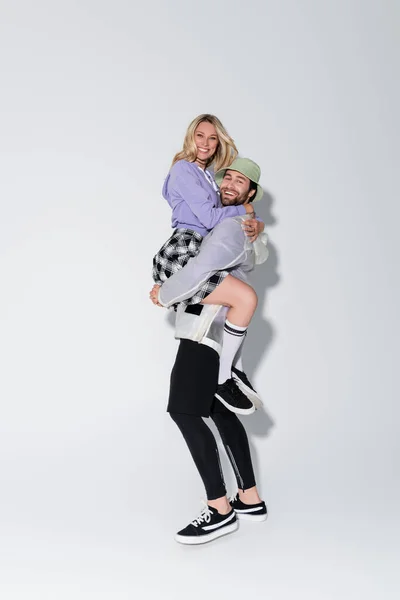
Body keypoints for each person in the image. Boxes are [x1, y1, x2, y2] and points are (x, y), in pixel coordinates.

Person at [150, 159, 268, 545]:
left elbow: (201, 269)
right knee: (217, 408)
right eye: (228, 177)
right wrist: (256, 229)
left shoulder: (230, 227)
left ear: (250, 195)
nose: (232, 183)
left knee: (183, 411)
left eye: (241, 182)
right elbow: (250, 258)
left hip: (204, 332)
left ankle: (219, 509)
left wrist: (163, 294)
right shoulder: (232, 225)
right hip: (216, 332)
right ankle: (249, 497)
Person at [152, 114, 265, 415]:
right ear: (191, 137)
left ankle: (230, 373)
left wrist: (257, 223)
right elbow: (210, 219)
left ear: (218, 144)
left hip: (197, 248)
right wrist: (248, 208)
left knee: (239, 303)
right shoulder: (183, 170)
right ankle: (223, 378)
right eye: (200, 136)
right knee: (244, 298)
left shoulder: (206, 176)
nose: (205, 143)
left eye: (212, 138)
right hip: (184, 249)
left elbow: (224, 213)